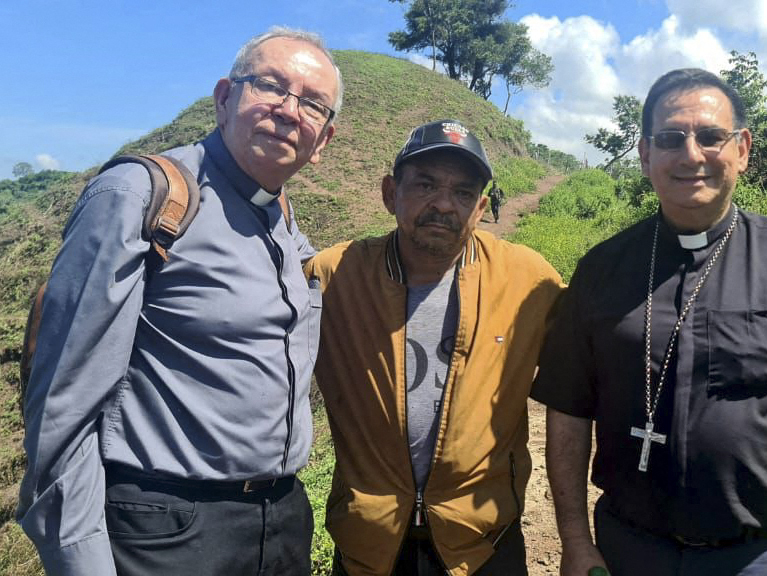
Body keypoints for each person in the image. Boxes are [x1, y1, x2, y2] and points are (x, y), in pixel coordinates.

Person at [533, 68, 767, 576]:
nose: (691, 155)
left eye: (710, 137)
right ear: (644, 155)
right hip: (628, 549)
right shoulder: (601, 269)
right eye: (669, 139)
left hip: (764, 556)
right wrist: (574, 540)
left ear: (742, 149)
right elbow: (568, 412)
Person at [17, 26, 342, 576]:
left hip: (279, 523)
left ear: (323, 142)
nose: (290, 111)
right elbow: (62, 406)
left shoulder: (284, 222)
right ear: (223, 98)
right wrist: (80, 561)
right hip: (168, 531)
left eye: (313, 104)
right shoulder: (142, 197)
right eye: (270, 86)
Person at [306, 119, 564, 576]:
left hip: (483, 543)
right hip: (370, 542)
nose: (444, 204)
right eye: (425, 185)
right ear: (391, 193)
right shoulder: (333, 277)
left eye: (464, 193)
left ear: (481, 206)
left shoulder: (528, 279)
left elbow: (589, 366)